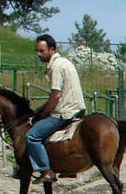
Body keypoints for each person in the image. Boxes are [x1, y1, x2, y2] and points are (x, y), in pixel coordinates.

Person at [27, 34, 86, 184]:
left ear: (51, 49)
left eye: (41, 51)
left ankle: (45, 170)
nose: (38, 54)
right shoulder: (65, 62)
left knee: (32, 137)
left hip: (65, 112)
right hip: (78, 107)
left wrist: (44, 113)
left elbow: (56, 95)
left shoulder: (55, 66)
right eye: (37, 50)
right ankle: (68, 168)